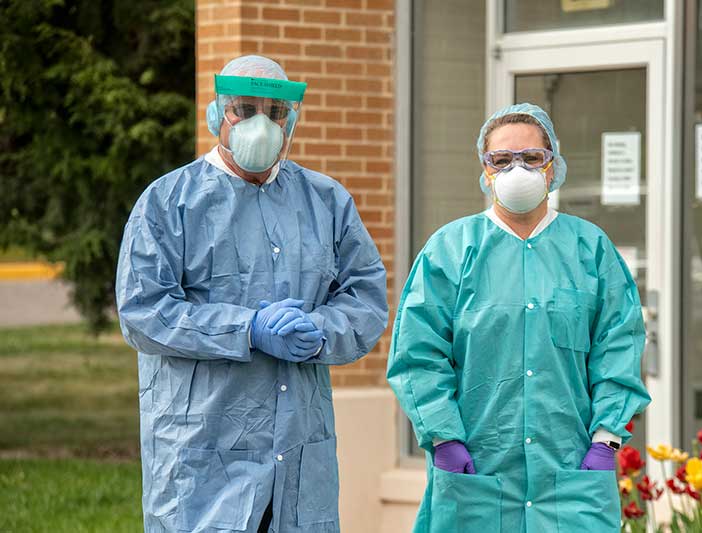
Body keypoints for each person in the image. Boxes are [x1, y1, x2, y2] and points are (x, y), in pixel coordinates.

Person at [116, 55, 388, 533]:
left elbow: (365, 296)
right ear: (218, 114)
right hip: (201, 455)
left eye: (275, 113)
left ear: (292, 119)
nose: (261, 124)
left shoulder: (326, 201)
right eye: (245, 109)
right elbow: (143, 311)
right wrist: (247, 329)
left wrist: (321, 332)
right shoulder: (168, 202)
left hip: (299, 453)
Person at [387, 103, 651, 532]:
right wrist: (443, 436)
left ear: (553, 167)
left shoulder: (590, 249)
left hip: (570, 476)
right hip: (476, 474)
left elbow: (619, 343)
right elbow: (418, 353)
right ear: (485, 170)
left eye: (531, 158)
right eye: (502, 159)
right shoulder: (451, 251)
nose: (518, 169)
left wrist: (606, 439)